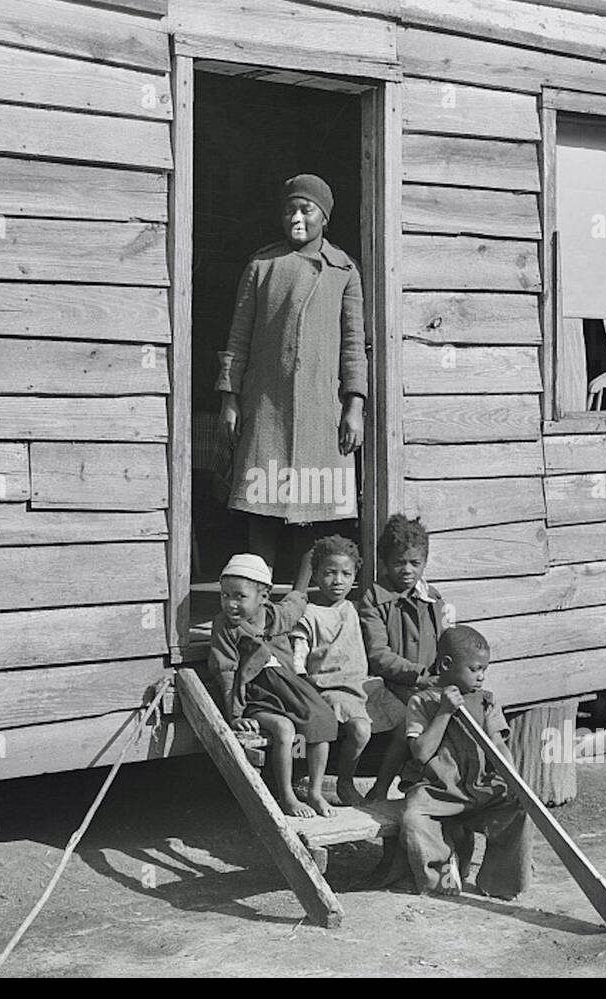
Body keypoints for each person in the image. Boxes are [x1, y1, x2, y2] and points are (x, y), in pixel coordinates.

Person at [216, 174, 367, 572]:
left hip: (321, 406)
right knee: (261, 503)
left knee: (312, 507)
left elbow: (354, 343)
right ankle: (257, 591)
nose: (296, 218)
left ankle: (299, 599)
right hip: (266, 404)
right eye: (289, 210)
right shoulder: (262, 266)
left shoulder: (343, 271)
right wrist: (229, 398)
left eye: (306, 210)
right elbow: (238, 338)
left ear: (324, 217)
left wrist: (354, 405)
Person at [398, 625, 527, 898]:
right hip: (438, 792)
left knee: (519, 807)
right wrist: (444, 712)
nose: (481, 676)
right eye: (475, 669)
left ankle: (499, 881)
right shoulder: (422, 702)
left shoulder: (486, 702)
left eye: (484, 670)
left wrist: (515, 780)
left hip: (479, 788)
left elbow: (498, 745)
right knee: (413, 818)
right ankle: (441, 877)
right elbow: (420, 753)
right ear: (446, 664)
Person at [207, 550, 338, 818]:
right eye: (224, 595)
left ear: (263, 597)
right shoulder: (225, 627)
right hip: (255, 695)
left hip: (288, 688)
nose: (230, 604)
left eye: (239, 597)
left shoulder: (278, 616)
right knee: (285, 729)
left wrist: (308, 562)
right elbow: (227, 671)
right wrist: (235, 716)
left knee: (322, 719)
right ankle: (287, 795)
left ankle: (314, 791)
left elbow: (297, 599)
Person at [358, 514, 455, 800]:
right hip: (390, 684)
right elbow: (378, 654)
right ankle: (380, 789)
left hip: (428, 682)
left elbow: (445, 643)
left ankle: (438, 788)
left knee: (455, 717)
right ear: (385, 563)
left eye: (415, 563)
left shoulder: (433, 598)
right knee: (408, 724)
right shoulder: (375, 599)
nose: (407, 570)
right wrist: (420, 676)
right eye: (399, 562)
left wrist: (445, 674)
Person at [291, 535, 372, 806]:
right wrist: (303, 684)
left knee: (402, 720)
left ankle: (381, 784)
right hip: (327, 687)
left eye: (346, 574)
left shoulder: (355, 609)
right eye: (329, 573)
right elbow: (298, 659)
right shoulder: (310, 614)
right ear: (315, 575)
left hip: (359, 686)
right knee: (359, 730)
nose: (338, 581)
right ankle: (341, 782)